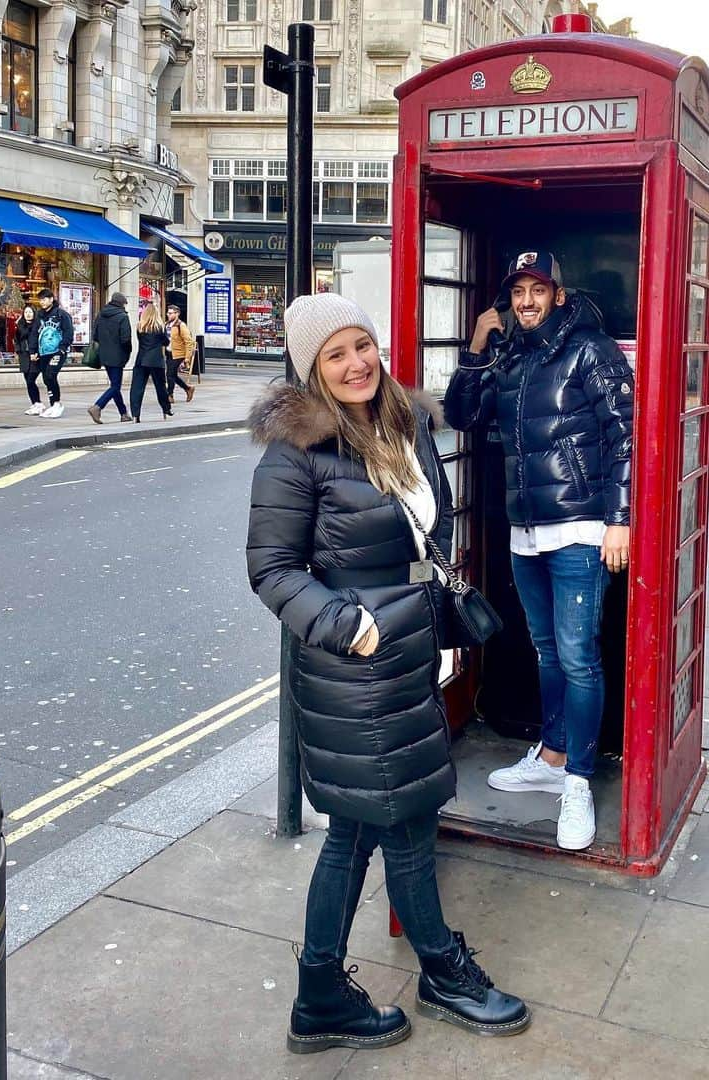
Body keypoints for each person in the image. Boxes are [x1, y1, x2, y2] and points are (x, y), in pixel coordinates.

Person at [247, 293, 529, 1055]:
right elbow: (271, 568)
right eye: (334, 354)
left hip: (407, 654)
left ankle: (321, 995)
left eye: (362, 345)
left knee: (368, 825)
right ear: (312, 368)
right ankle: (438, 969)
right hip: (355, 664)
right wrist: (351, 627)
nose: (355, 364)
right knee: (396, 822)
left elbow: (420, 538)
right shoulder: (296, 452)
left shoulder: (402, 425)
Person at [443, 250, 633, 852]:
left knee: (578, 657)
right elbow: (460, 414)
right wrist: (477, 342)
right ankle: (551, 757)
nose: (527, 300)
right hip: (524, 529)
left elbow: (624, 434)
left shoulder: (591, 349)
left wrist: (620, 521)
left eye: (538, 289)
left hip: (580, 527)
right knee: (547, 652)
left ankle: (577, 780)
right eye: (518, 290)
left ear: (558, 292)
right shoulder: (511, 353)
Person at [88, 292, 133, 424]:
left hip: (104, 355)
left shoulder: (101, 314)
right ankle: (97, 406)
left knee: (115, 385)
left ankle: (123, 413)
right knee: (115, 386)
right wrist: (127, 353)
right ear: (121, 304)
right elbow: (126, 340)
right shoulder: (123, 317)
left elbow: (95, 336)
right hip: (118, 356)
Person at [33, 288, 74, 418]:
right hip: (43, 352)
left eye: (44, 299)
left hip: (57, 351)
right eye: (40, 300)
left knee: (51, 374)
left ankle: (57, 403)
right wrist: (33, 351)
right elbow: (34, 334)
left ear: (51, 299)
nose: (42, 302)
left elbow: (69, 332)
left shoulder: (61, 314)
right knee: (46, 378)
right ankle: (52, 404)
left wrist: (63, 348)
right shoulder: (39, 316)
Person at [130, 304, 172, 422]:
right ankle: (166, 409)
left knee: (137, 387)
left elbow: (140, 341)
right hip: (156, 361)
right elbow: (166, 342)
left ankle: (135, 414)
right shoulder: (160, 327)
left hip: (142, 360)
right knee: (160, 387)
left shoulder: (140, 327)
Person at [14, 304, 43, 415]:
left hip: (35, 356)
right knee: (28, 382)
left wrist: (36, 353)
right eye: (26, 312)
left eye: (30, 312)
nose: (28, 314)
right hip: (24, 356)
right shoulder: (20, 325)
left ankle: (38, 403)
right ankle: (35, 403)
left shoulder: (38, 325)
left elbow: (40, 341)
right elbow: (16, 340)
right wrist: (18, 351)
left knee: (31, 380)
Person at [165, 304, 195, 405]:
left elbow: (188, 341)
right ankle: (188, 388)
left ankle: (170, 395)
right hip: (169, 353)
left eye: (170, 313)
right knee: (172, 375)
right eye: (168, 313)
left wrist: (187, 358)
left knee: (169, 374)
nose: (168, 315)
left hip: (178, 354)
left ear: (177, 314)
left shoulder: (181, 325)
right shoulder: (167, 324)